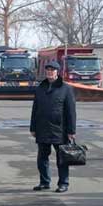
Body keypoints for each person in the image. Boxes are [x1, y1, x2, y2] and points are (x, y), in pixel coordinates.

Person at [31, 61, 76, 193]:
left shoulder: (66, 89)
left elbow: (71, 111)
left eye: (53, 70)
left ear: (58, 72)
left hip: (59, 130)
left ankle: (63, 183)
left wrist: (71, 131)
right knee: (42, 158)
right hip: (42, 128)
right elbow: (35, 109)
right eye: (48, 70)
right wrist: (33, 127)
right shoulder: (40, 88)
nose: (50, 72)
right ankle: (44, 182)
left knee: (62, 158)